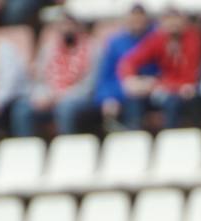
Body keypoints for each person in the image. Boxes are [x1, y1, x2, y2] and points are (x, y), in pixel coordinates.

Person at [65, 5, 155, 134]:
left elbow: (160, 70)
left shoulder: (155, 39)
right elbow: (105, 78)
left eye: (140, 20)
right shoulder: (116, 43)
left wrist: (148, 83)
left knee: (134, 99)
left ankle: (135, 138)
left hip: (147, 94)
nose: (137, 23)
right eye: (134, 19)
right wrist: (110, 97)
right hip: (120, 93)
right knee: (78, 111)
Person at [117, 9, 201, 130]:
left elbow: (190, 79)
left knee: (173, 103)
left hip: (185, 92)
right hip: (166, 90)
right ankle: (135, 138)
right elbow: (129, 61)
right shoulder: (158, 39)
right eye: (169, 21)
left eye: (176, 21)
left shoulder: (192, 39)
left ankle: (170, 141)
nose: (173, 25)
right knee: (134, 100)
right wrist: (131, 80)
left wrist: (160, 85)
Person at [12, 13, 92, 138]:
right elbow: (39, 80)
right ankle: (27, 150)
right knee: (23, 109)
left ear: (78, 27)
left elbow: (89, 85)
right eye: (62, 25)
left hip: (79, 98)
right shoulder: (49, 49)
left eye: (70, 25)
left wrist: (62, 96)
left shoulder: (91, 49)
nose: (66, 29)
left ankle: (67, 148)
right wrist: (44, 96)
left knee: (65, 108)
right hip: (50, 97)